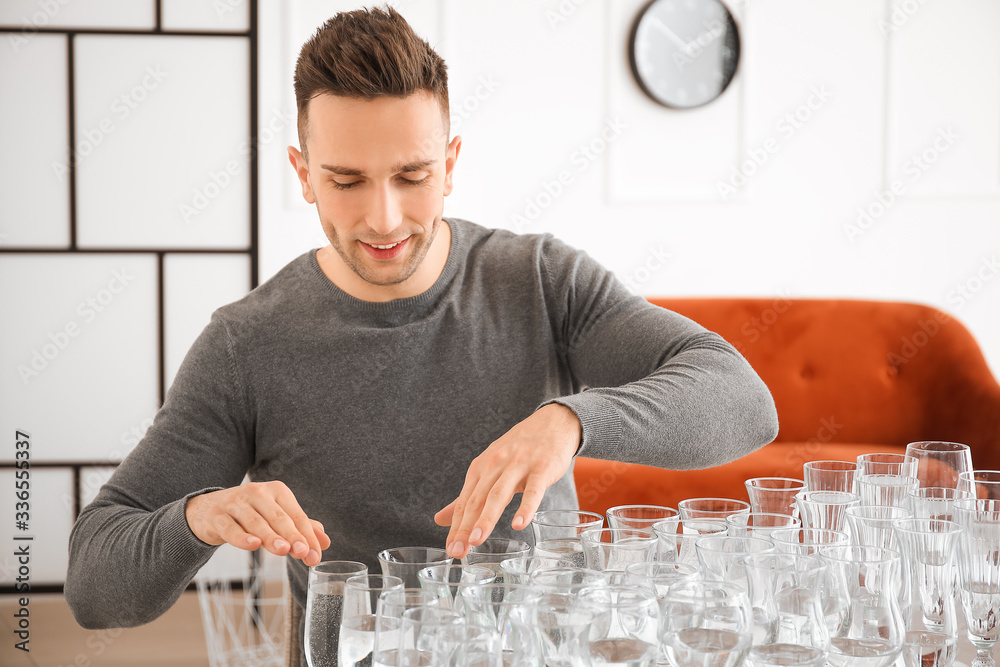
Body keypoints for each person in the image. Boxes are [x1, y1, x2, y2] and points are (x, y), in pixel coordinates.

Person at [65, 2, 778, 653]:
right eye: (346, 181)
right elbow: (93, 584)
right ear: (303, 174)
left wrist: (571, 419)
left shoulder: (539, 278)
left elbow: (744, 401)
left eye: (412, 175)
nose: (382, 218)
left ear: (452, 164)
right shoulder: (246, 345)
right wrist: (198, 515)